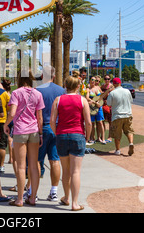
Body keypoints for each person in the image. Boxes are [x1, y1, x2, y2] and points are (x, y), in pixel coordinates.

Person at [50, 74, 92, 211]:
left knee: (66, 170)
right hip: (78, 135)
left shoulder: (58, 100)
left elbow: (52, 121)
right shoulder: (82, 100)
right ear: (78, 86)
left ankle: (66, 197)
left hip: (62, 135)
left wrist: (57, 132)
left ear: (65, 86)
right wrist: (87, 137)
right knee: (76, 171)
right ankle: (75, 203)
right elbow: (89, 122)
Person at [3, 70, 45, 207]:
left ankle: (19, 199)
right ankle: (32, 197)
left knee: (21, 166)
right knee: (34, 165)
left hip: (20, 131)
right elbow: (40, 117)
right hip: (34, 131)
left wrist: (6, 123)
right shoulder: (38, 93)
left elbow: (13, 112)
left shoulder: (16, 93)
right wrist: (40, 134)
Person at [36, 66, 65, 202]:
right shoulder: (61, 91)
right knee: (54, 160)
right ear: (54, 76)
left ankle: (32, 191)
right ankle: (54, 192)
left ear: (42, 76)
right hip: (56, 128)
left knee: (36, 160)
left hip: (41, 128)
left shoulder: (37, 91)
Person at [106, 77, 134, 156]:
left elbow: (109, 104)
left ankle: (118, 150)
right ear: (120, 83)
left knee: (117, 133)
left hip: (117, 116)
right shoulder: (127, 91)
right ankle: (131, 143)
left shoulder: (112, 93)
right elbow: (131, 100)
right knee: (129, 131)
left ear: (114, 84)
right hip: (128, 114)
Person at [0, 79, 11, 172]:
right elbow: (9, 108)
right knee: (2, 145)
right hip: (2, 121)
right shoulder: (5, 94)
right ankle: (1, 165)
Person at [86, 76, 106, 144]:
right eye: (92, 79)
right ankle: (91, 138)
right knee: (92, 123)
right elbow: (87, 97)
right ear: (89, 80)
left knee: (100, 122)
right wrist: (94, 102)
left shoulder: (98, 88)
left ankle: (102, 138)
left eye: (95, 80)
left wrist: (101, 102)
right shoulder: (88, 89)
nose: (93, 81)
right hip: (92, 108)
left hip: (99, 107)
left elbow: (102, 96)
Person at [101, 75, 113, 142]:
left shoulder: (112, 87)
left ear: (110, 79)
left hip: (110, 106)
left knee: (110, 122)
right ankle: (102, 136)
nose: (107, 80)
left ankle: (110, 137)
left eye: (108, 79)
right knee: (102, 121)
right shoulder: (102, 86)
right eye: (105, 79)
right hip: (103, 105)